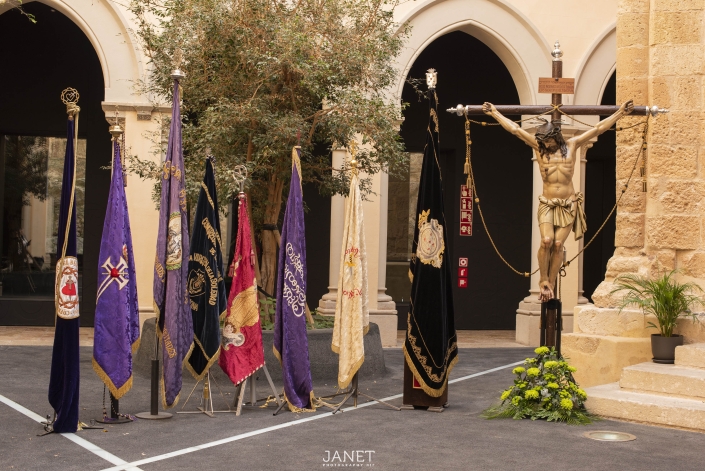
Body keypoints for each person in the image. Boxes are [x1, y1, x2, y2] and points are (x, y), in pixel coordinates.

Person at [482, 100, 634, 302]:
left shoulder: (572, 145)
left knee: (558, 244)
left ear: (556, 136)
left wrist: (620, 113)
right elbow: (516, 130)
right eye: (543, 141)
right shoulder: (538, 148)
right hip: (547, 203)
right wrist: (495, 113)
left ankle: (551, 283)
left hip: (568, 203)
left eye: (548, 140)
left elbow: (598, 128)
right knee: (546, 241)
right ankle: (543, 279)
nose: (546, 144)